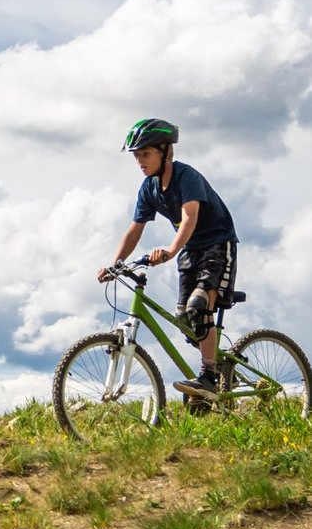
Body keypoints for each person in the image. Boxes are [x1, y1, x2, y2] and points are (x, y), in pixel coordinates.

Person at [97, 118, 239, 401]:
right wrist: (115, 265)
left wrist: (171, 250)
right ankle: (220, 370)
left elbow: (190, 217)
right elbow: (135, 229)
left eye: (146, 154)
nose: (140, 161)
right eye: (137, 156)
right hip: (190, 251)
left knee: (199, 307)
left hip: (217, 244)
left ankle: (209, 376)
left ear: (166, 152)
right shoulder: (148, 188)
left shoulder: (187, 177)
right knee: (185, 320)